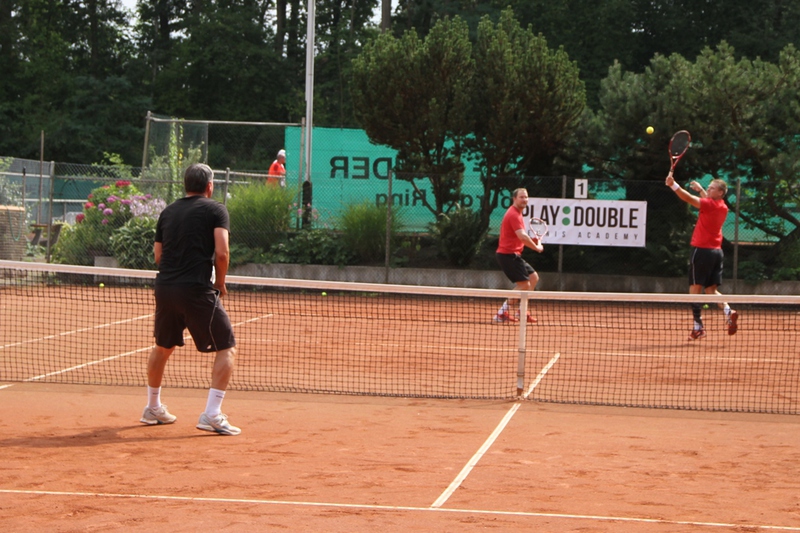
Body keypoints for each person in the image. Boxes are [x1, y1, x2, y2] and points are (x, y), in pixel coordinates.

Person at [139, 163, 241, 435]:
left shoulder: (167, 212)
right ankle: (212, 414)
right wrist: (220, 282)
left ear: (186, 185)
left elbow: (158, 256)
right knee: (227, 348)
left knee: (162, 347)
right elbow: (222, 252)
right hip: (195, 289)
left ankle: (152, 407)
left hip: (165, 288)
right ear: (209, 186)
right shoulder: (216, 210)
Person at [665, 173, 738, 340]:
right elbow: (707, 201)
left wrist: (673, 185)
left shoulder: (709, 204)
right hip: (716, 253)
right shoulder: (722, 207)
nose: (708, 189)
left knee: (694, 290)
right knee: (711, 290)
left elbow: (688, 198)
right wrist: (701, 190)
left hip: (702, 251)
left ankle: (698, 327)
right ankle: (728, 311)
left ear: (720, 192)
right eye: (708, 187)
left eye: (712, 188)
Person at [494, 188, 544, 324]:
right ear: (514, 199)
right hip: (507, 255)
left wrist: (532, 241)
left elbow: (519, 237)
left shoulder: (517, 214)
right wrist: (536, 247)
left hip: (513, 254)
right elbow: (522, 236)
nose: (524, 200)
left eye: (526, 197)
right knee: (524, 285)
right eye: (521, 197)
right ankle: (501, 313)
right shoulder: (514, 214)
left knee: (533, 278)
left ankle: (522, 311)